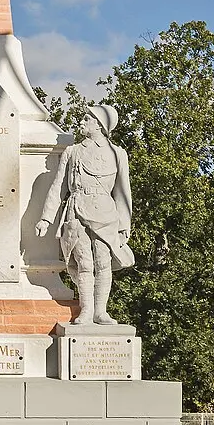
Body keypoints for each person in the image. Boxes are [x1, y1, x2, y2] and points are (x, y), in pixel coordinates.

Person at [35, 104, 133, 326]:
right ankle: (86, 310)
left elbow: (122, 191)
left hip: (106, 213)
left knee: (103, 262)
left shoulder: (117, 153)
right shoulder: (72, 151)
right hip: (76, 210)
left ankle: (101, 312)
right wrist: (46, 218)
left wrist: (124, 224)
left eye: (87, 119)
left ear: (99, 125)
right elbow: (58, 187)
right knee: (84, 263)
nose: (81, 121)